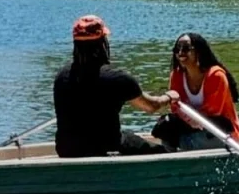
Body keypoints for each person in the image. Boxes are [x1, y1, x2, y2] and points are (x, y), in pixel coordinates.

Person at [53, 15, 172, 158]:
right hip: (108, 147)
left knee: (129, 137)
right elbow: (151, 106)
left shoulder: (61, 77)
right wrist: (169, 97)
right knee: (160, 152)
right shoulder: (117, 78)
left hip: (66, 150)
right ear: (103, 42)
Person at [152, 33, 239, 151]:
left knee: (186, 139)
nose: (180, 53)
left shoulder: (216, 76)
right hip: (192, 129)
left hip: (222, 133)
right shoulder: (177, 76)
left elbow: (212, 112)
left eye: (185, 48)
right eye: (177, 49)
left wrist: (185, 122)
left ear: (199, 51)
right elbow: (176, 108)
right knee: (166, 128)